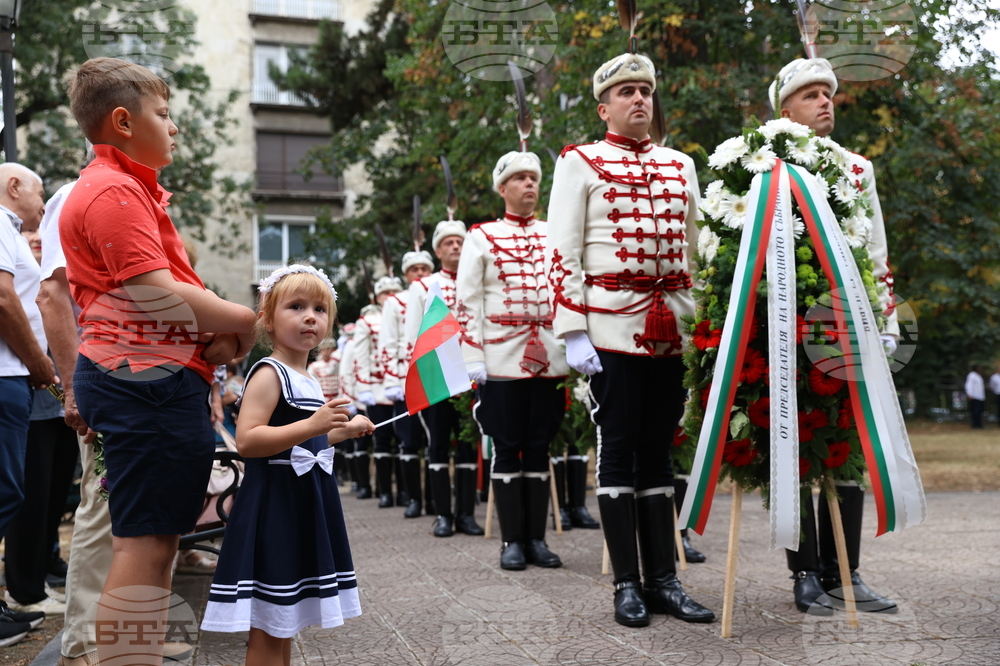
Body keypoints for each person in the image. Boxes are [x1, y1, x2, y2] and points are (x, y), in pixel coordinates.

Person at [61, 57, 256, 663]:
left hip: (146, 378)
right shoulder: (113, 190)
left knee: (154, 543)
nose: (174, 128)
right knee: (142, 548)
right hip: (143, 382)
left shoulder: (118, 187)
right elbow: (155, 292)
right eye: (164, 114)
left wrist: (212, 337)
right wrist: (244, 319)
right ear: (122, 121)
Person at [545, 52, 714, 626]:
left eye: (645, 90)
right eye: (626, 92)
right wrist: (572, 332)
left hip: (670, 325)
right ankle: (627, 584)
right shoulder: (579, 162)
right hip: (610, 326)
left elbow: (697, 249)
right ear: (605, 106)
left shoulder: (681, 164)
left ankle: (664, 580)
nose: (639, 99)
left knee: (659, 453)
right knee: (617, 451)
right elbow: (561, 251)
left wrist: (706, 322)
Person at [767, 57, 899, 614]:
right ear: (785, 109)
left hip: (846, 320)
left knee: (846, 445)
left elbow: (876, 251)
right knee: (796, 443)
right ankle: (804, 573)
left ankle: (846, 572)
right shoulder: (764, 163)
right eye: (811, 94)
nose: (825, 102)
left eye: (828, 92)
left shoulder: (858, 169)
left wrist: (886, 320)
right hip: (783, 319)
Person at [200, 265, 373, 666]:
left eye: (319, 308)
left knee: (286, 620)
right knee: (268, 623)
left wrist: (336, 434)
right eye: (296, 307)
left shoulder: (307, 377)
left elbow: (298, 443)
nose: (310, 316)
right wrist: (311, 424)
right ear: (268, 321)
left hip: (303, 506)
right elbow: (248, 440)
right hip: (274, 508)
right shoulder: (269, 372)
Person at [457, 149, 568, 570]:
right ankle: (512, 542)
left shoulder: (555, 231)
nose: (529, 185)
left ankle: (537, 540)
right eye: (520, 179)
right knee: (507, 447)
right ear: (502, 188)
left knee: (540, 447)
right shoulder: (481, 236)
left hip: (550, 355)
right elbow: (467, 301)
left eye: (534, 179)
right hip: (502, 357)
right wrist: (473, 356)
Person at [3, 215, 78, 619]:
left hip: (58, 400)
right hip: (33, 393)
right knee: (28, 494)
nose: (35, 237)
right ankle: (24, 587)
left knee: (53, 494)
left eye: (39, 232)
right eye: (28, 232)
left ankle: (45, 568)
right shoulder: (17, 273)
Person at [0, 162, 53, 647]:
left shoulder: (11, 231)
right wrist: (38, 362)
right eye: (40, 191)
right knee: (5, 491)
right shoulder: (0, 222)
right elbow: (2, 298)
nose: (44, 201)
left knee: (8, 491)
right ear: (13, 186)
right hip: (7, 375)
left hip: (14, 377)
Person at [404, 221, 484, 538]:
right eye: (448, 242)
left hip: (470, 376)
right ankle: (443, 515)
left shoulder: (475, 283)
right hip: (436, 376)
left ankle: (466, 514)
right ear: (437, 250)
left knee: (467, 445)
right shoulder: (422, 287)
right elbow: (413, 337)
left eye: (459, 241)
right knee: (438, 445)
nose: (455, 246)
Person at [380, 250, 434, 517]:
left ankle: (436, 500)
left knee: (435, 441)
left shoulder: (439, 292)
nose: (421, 273)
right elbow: (388, 343)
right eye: (415, 269)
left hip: (435, 375)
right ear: (406, 275)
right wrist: (392, 380)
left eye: (425, 268)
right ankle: (414, 498)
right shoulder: (395, 302)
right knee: (409, 440)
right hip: (406, 378)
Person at [354, 276, 405, 507]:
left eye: (395, 291)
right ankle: (386, 491)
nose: (391, 296)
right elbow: (361, 357)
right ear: (377, 297)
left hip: (404, 387)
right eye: (386, 293)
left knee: (405, 441)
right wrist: (363, 388)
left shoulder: (407, 316)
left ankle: (405, 491)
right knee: (383, 441)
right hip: (378, 390)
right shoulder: (369, 321)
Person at [966, 365, 985, 429]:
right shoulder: (971, 375)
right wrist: (970, 394)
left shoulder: (978, 376)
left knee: (979, 411)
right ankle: (975, 424)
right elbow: (968, 385)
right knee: (975, 411)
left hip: (980, 396)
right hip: (974, 396)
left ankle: (979, 424)